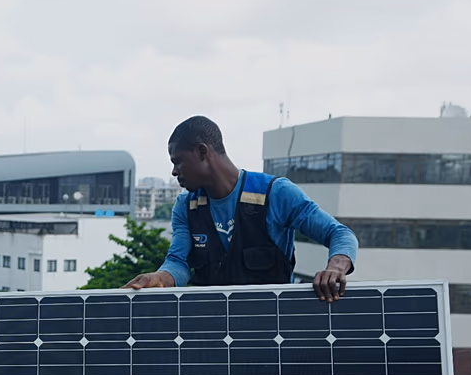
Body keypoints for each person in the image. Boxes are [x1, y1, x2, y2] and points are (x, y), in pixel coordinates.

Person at [125, 116, 357, 300]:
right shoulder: (186, 206)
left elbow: (339, 233)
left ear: (202, 152)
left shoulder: (274, 194)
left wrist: (335, 268)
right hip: (210, 333)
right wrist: (160, 278)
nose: (175, 172)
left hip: (271, 330)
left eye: (178, 161)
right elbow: (178, 262)